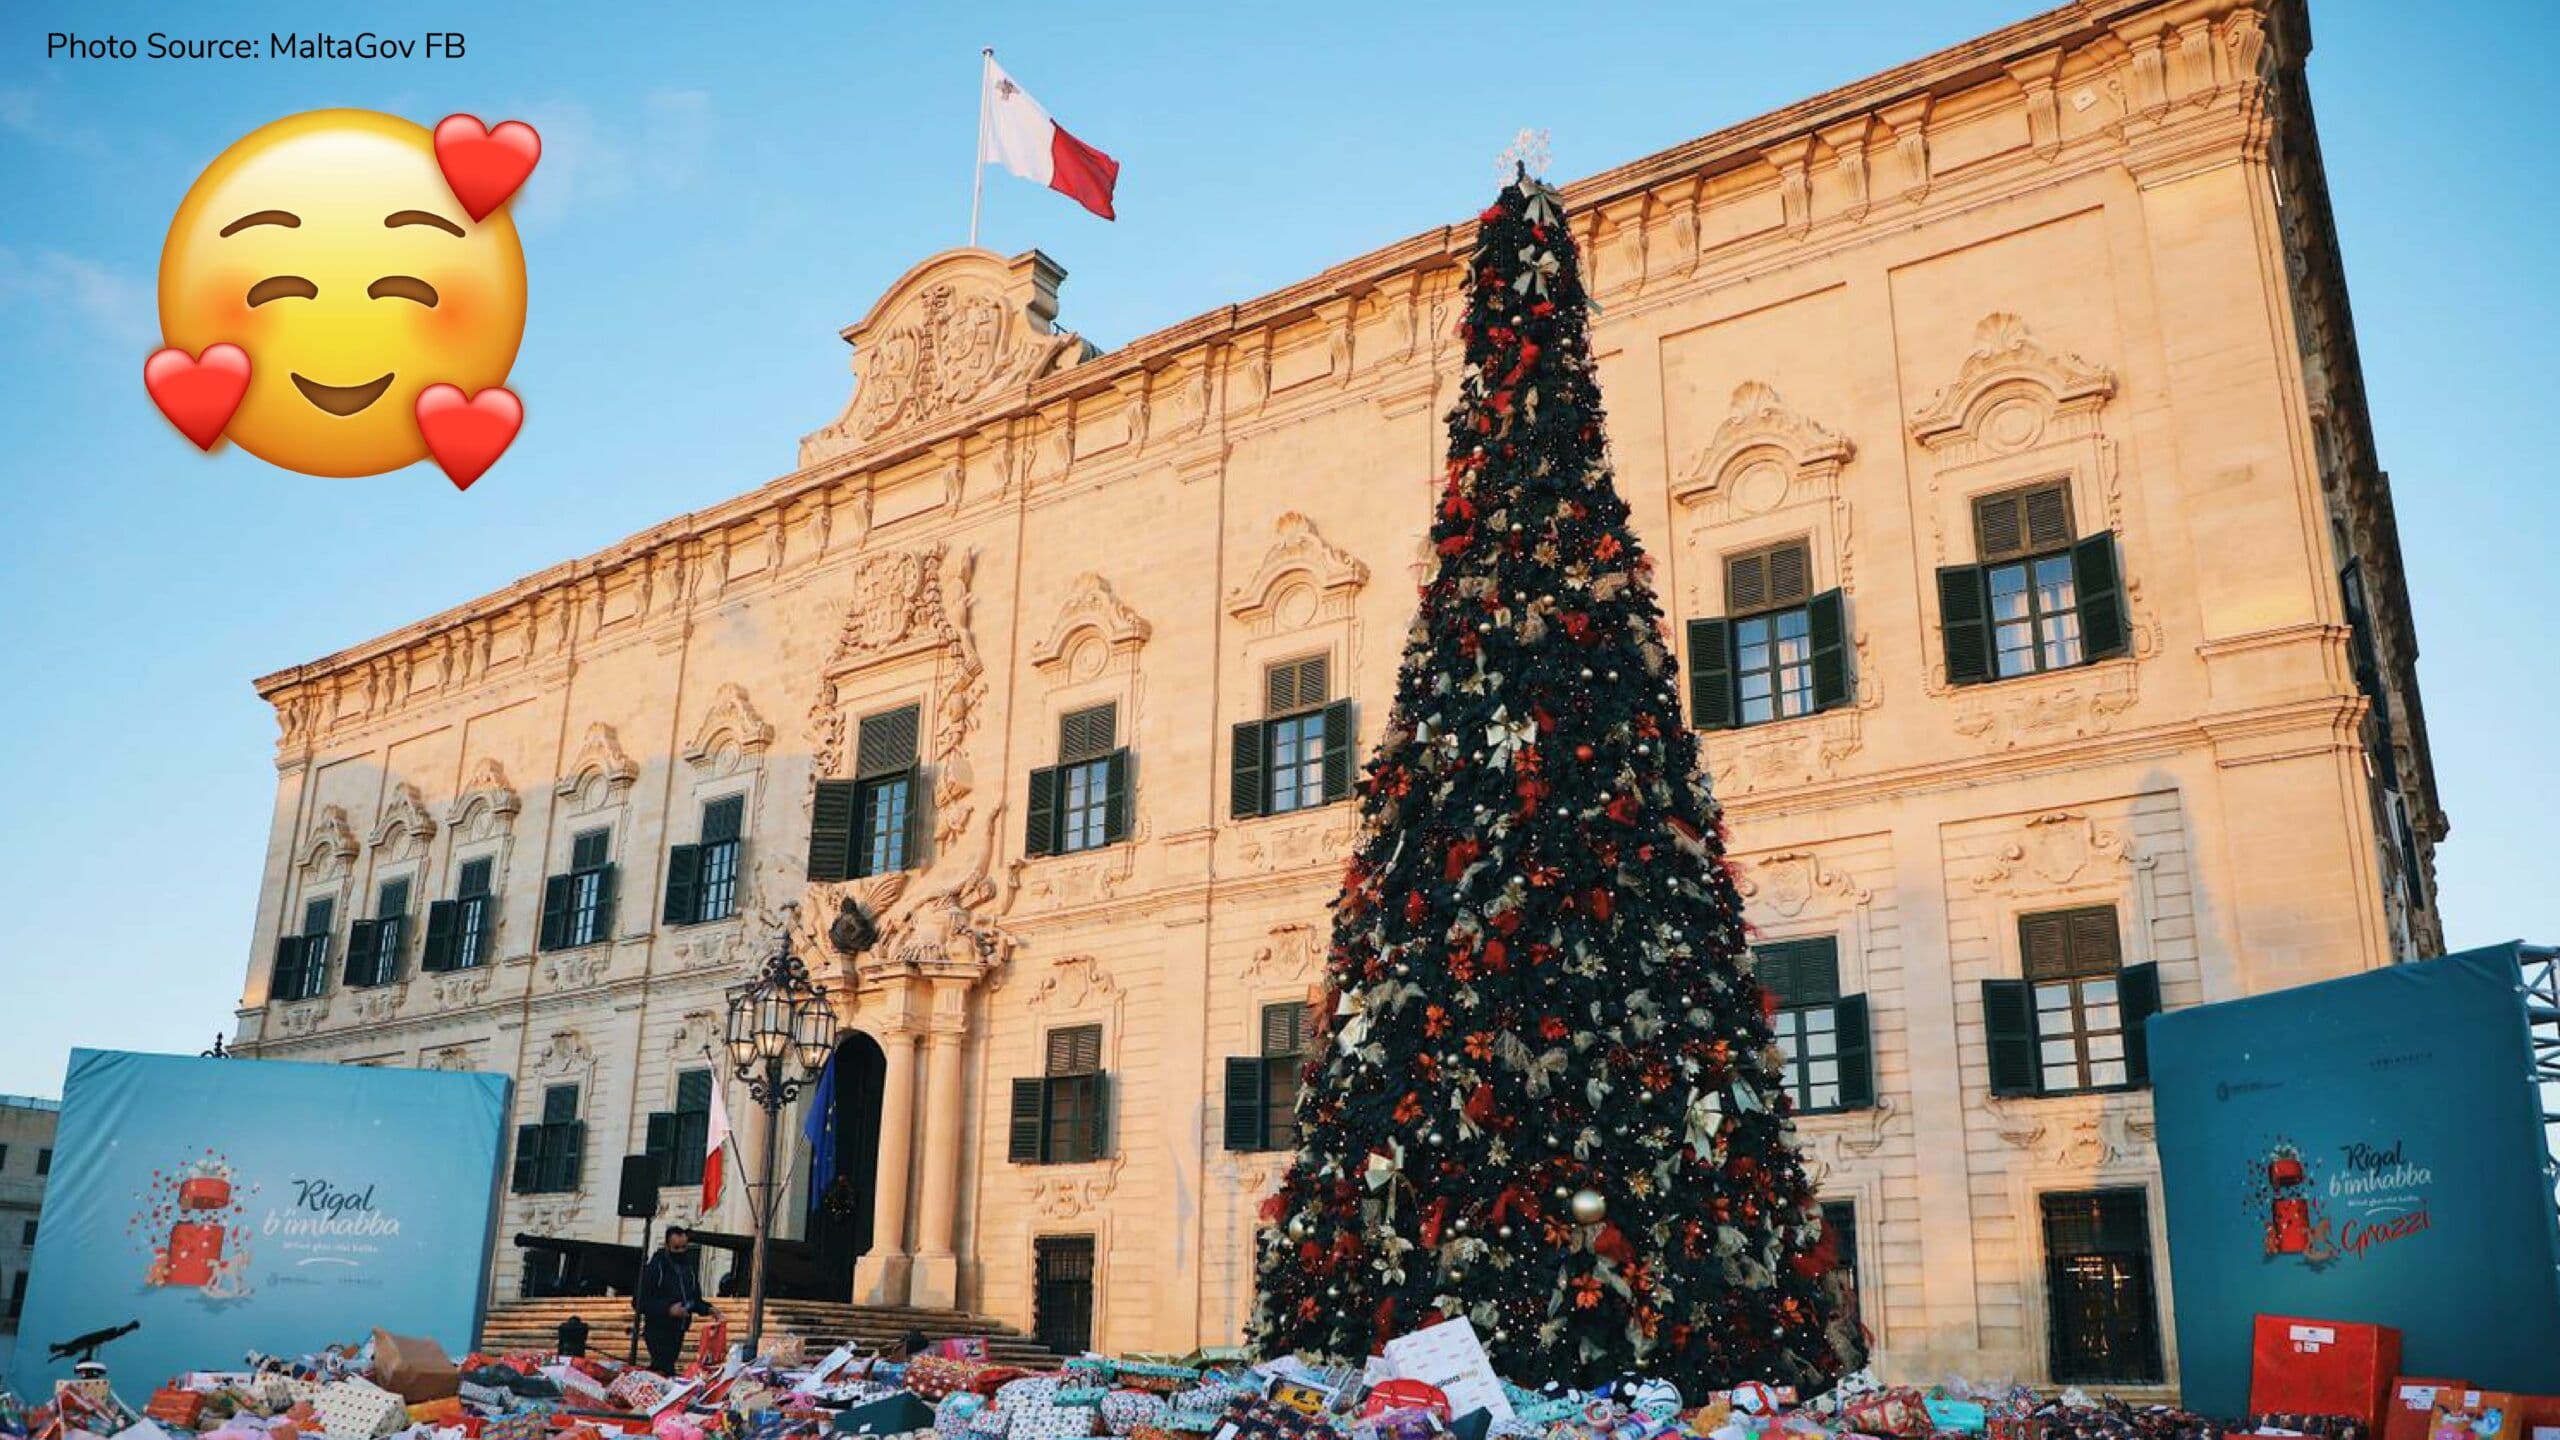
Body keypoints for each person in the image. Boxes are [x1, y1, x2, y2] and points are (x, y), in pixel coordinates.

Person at [633, 1226, 717, 1374]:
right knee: (663, 1367)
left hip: (679, 1329)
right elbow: (639, 1302)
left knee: (667, 1367)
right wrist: (668, 1309)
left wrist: (709, 1309)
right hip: (658, 1329)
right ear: (667, 1246)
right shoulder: (656, 1267)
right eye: (676, 1248)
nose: (680, 1252)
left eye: (683, 1247)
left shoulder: (688, 1268)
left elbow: (694, 1299)